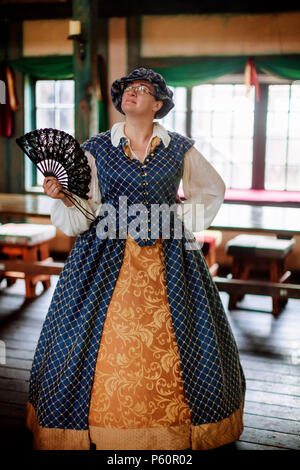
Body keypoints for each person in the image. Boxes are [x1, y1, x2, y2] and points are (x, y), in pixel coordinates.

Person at [26, 67, 246, 451]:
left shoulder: (179, 147)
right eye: (128, 88)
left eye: (143, 89)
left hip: (171, 257)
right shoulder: (94, 149)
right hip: (103, 255)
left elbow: (212, 190)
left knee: (188, 334)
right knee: (85, 338)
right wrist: (62, 196)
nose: (133, 93)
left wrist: (176, 221)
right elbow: (87, 209)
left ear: (158, 104)